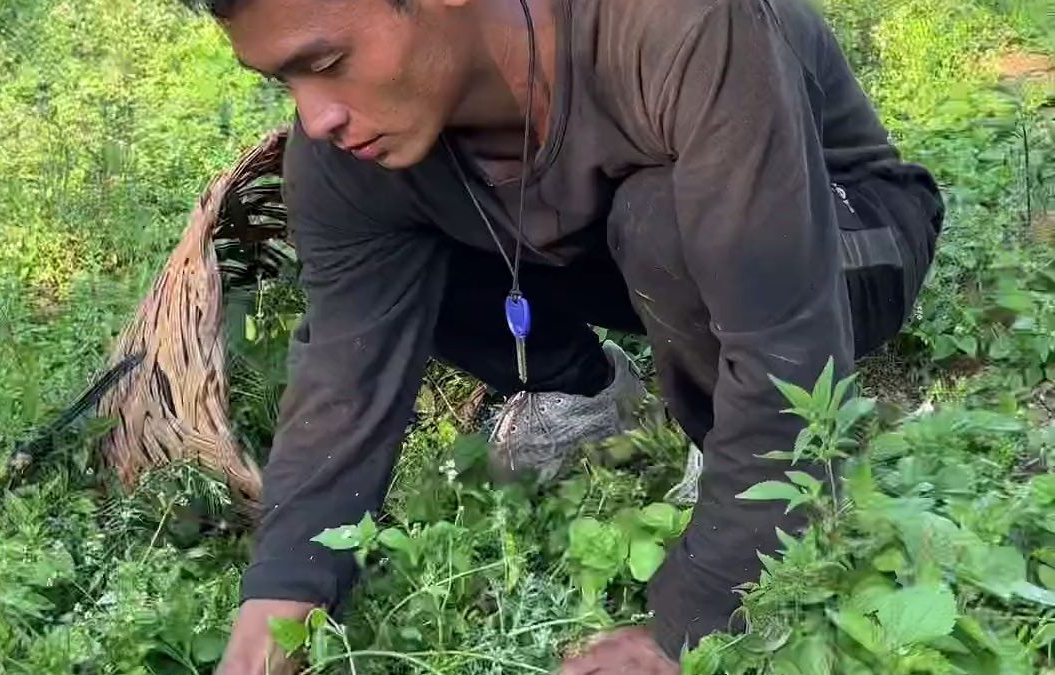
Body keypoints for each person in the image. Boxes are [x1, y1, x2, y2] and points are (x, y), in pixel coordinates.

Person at [184, 0, 945, 672]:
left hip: (842, 233)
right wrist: (283, 594)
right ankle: (585, 390)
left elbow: (787, 338)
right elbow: (344, 377)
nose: (317, 116)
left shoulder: (680, 23)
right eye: (285, 81)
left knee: (659, 219)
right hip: (639, 247)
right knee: (394, 258)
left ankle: (738, 462)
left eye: (327, 62)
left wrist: (697, 613)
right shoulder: (340, 158)